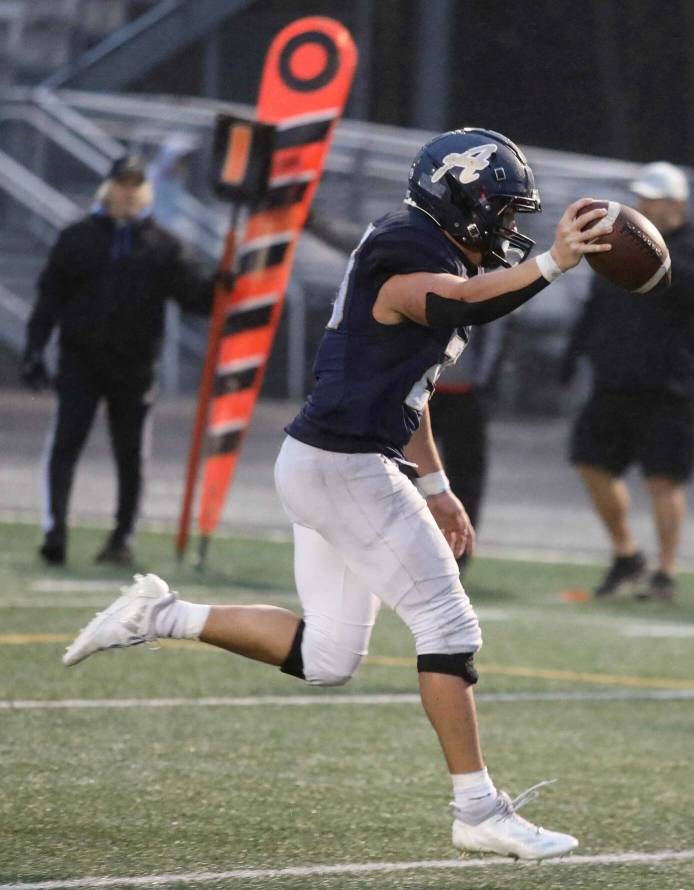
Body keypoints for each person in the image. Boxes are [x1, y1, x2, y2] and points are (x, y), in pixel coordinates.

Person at [62, 128, 612, 860]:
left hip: (329, 461)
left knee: (326, 658)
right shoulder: (408, 250)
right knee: (449, 627)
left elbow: (405, 391)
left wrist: (439, 487)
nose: (512, 229)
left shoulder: (431, 246)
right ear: (460, 201)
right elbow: (456, 305)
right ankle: (478, 809)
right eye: (502, 212)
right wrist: (554, 264)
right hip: (345, 467)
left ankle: (159, 613)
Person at [21, 154, 216, 567]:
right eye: (122, 184)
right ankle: (54, 534)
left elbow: (195, 298)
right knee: (65, 446)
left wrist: (223, 283)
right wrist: (35, 349)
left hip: (135, 367)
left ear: (144, 191)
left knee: (131, 457)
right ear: (107, 188)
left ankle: (122, 539)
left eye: (135, 185)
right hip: (80, 362)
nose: (128, 192)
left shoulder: (162, 245)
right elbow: (49, 297)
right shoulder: (77, 238)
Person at [561, 162, 694, 602]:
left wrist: (655, 256)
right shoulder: (620, 247)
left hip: (668, 385)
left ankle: (665, 572)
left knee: (663, 479)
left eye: (654, 198)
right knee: (589, 461)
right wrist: (573, 355)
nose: (645, 204)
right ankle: (626, 554)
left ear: (677, 204)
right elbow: (595, 308)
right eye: (642, 197)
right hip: (615, 380)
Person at [429, 319, 509, 571]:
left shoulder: (481, 279)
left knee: (464, 477)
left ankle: (456, 554)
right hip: (420, 389)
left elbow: (495, 330)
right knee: (399, 471)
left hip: (463, 392)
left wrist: (482, 384)